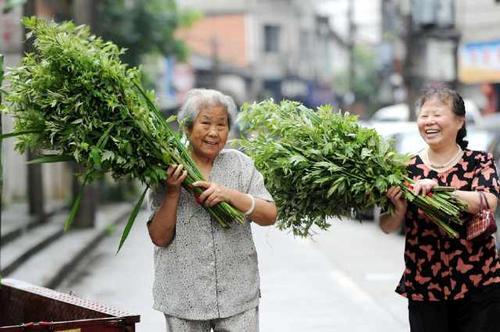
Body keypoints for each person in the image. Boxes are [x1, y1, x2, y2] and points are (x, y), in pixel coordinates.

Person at [147, 88, 277, 332]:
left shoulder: (240, 164)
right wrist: (173, 191)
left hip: (238, 296)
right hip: (183, 298)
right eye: (205, 123)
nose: (214, 132)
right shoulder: (168, 168)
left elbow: (269, 215)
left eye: (221, 124)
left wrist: (230, 195)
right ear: (187, 127)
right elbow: (159, 237)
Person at [380, 87, 500, 332]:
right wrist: (398, 209)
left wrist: (439, 190)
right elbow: (386, 226)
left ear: (459, 121)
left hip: (479, 283)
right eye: (424, 116)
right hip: (425, 285)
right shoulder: (405, 169)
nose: (429, 122)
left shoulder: (479, 161)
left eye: (437, 114)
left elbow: (488, 200)